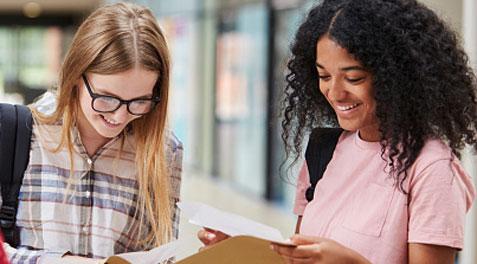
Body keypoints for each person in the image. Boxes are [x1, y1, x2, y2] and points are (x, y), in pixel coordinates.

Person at [199, 0, 477, 263]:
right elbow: (300, 257)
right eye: (324, 76)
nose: (335, 93)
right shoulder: (324, 150)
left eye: (353, 78)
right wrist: (243, 249)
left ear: (397, 76)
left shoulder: (431, 167)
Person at [2, 2, 182, 263]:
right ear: (76, 75)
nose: (120, 116)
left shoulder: (165, 151)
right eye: (107, 98)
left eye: (140, 101)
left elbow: (161, 256)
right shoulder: (15, 133)